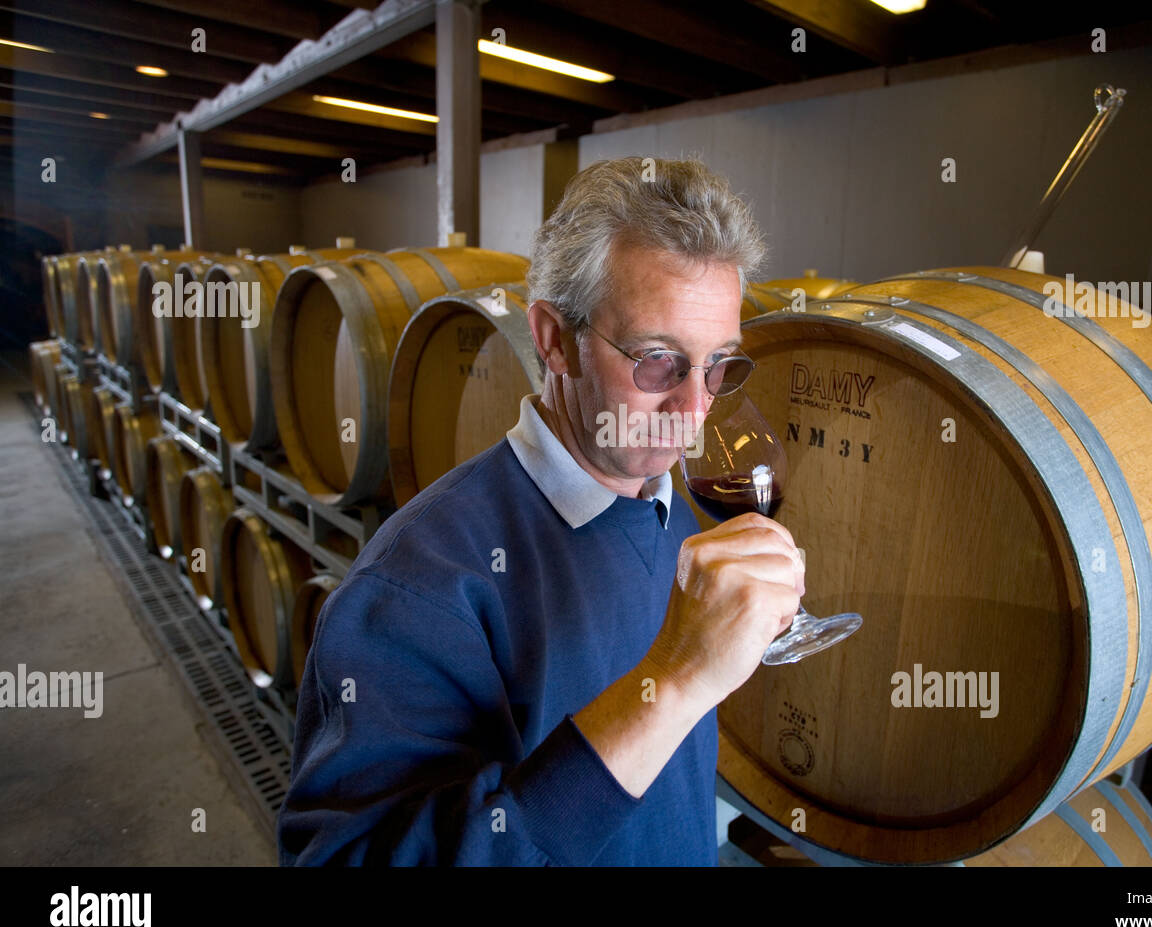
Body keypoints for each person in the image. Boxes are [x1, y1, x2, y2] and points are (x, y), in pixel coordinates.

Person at [277, 156, 805, 865]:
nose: (697, 409)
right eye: (657, 360)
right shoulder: (419, 585)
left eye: (718, 365)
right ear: (554, 340)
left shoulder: (673, 515)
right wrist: (675, 684)